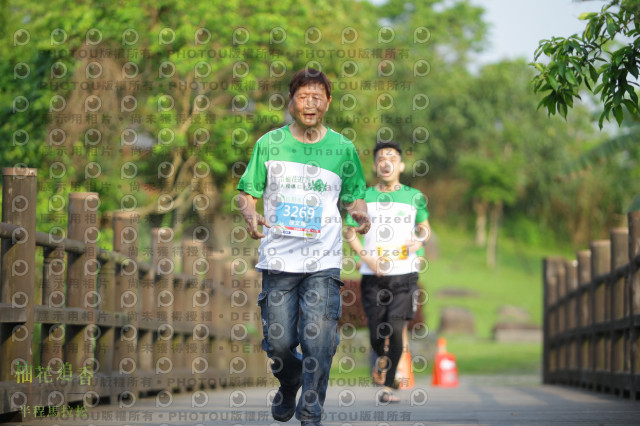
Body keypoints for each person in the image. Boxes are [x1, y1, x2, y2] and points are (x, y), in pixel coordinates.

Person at [237, 68, 370, 426]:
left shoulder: (342, 148)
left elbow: (355, 195)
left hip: (322, 261)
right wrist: (249, 213)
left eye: (317, 97)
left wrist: (360, 212)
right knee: (278, 342)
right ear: (291, 101)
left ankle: (311, 411)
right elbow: (247, 192)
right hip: (279, 259)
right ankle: (289, 379)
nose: (310, 103)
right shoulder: (269, 143)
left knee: (320, 338)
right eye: (302, 96)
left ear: (328, 101)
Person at [345, 140, 430, 403]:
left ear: (401, 165)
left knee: (395, 327)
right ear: (375, 165)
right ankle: (381, 359)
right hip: (373, 275)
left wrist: (420, 240)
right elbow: (350, 232)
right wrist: (366, 259)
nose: (386, 163)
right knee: (375, 332)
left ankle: (389, 385)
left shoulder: (415, 197)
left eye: (392, 158)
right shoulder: (363, 198)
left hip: (404, 274)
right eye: (381, 158)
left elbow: (425, 228)